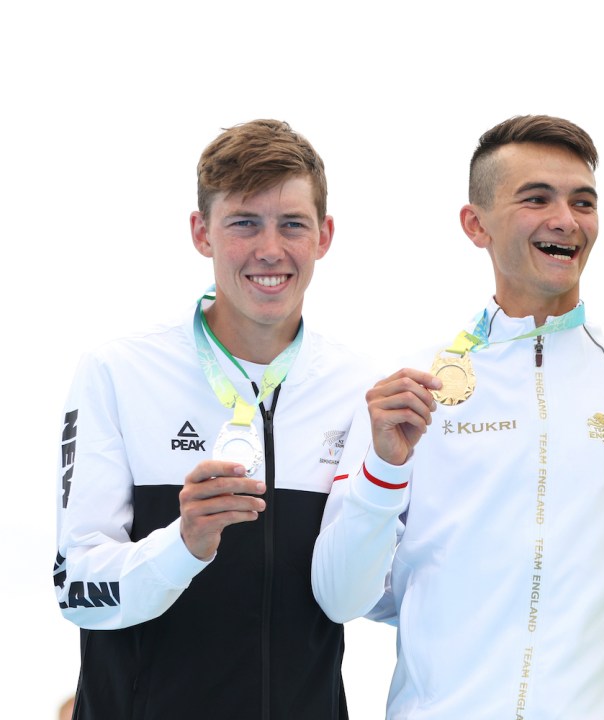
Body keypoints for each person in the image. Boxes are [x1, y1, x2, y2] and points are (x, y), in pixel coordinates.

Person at [312, 114, 604, 719]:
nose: (566, 220)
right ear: (476, 224)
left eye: (583, 201)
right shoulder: (407, 393)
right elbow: (341, 596)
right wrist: (383, 468)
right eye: (536, 199)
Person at [52, 119, 373, 719]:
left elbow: (361, 595)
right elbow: (77, 589)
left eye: (292, 224)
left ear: (325, 236)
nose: (270, 249)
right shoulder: (117, 372)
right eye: (244, 223)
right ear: (202, 232)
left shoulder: (357, 387)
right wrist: (184, 543)